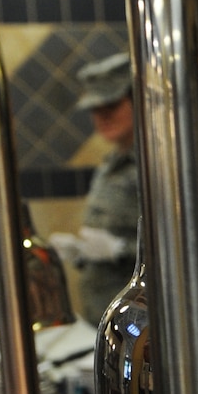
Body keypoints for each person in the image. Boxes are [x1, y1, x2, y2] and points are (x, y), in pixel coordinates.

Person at [51, 50, 139, 323]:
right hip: (103, 317)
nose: (102, 117)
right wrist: (82, 254)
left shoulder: (156, 168)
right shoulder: (112, 162)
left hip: (140, 321)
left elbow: (183, 248)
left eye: (110, 106)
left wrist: (120, 250)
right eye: (94, 110)